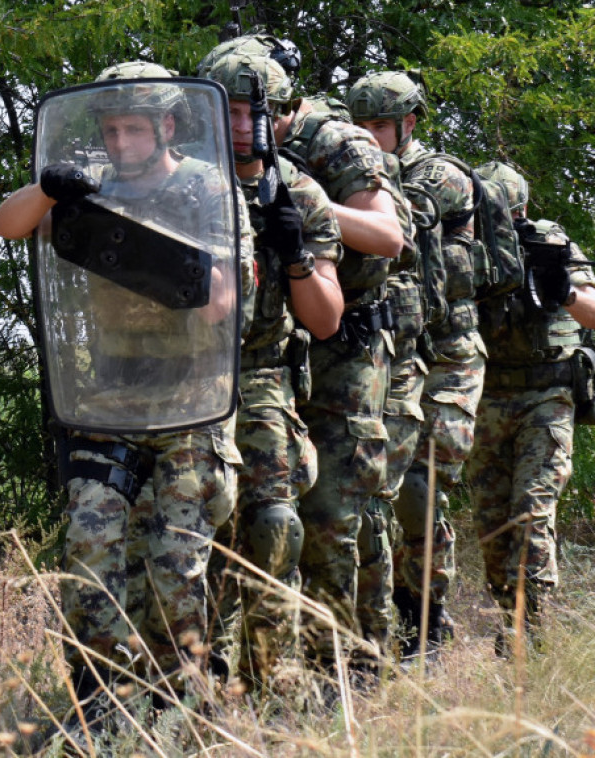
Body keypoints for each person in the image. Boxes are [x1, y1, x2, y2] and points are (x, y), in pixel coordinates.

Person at [0, 61, 249, 726]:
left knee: (174, 571)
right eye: (110, 129)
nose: (120, 141)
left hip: (191, 405)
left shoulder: (208, 190)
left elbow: (223, 303)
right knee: (89, 553)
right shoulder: (88, 188)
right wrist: (51, 190)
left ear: (167, 125)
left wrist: (153, 254)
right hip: (108, 404)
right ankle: (102, 709)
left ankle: (179, 712)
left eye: (135, 127)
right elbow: (8, 224)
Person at [201, 51, 344, 690]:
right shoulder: (184, 184)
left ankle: (274, 680)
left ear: (278, 117)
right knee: (196, 527)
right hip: (191, 376)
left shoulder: (299, 193)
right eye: (224, 110)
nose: (238, 125)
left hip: (260, 376)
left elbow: (325, 320)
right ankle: (199, 678)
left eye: (250, 111)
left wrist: (294, 257)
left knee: (275, 528)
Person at [348, 70, 484, 661]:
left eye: (378, 126)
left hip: (449, 355)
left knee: (422, 489)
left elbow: (403, 222)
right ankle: (384, 621)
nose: (368, 137)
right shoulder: (357, 167)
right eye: (360, 126)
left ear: (408, 123)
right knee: (376, 483)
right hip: (391, 351)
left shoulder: (441, 175)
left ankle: (426, 620)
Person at [464, 161, 595, 656]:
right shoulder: (465, 247)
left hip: (547, 395)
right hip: (487, 395)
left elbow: (592, 311)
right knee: (492, 518)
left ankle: (531, 631)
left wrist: (562, 287)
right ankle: (507, 621)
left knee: (533, 509)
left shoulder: (548, 243)